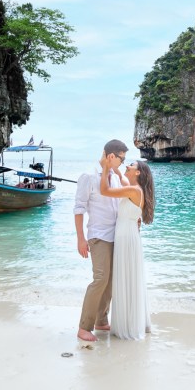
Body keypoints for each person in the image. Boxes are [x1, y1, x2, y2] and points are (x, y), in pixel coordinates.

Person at [74, 139, 128, 342]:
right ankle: (84, 327)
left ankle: (101, 321)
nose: (123, 163)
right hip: (99, 236)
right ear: (111, 156)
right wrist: (81, 239)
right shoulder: (88, 176)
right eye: (121, 159)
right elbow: (78, 209)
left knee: (111, 281)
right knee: (100, 279)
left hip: (116, 235)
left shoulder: (113, 176)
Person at [99, 158, 156, 340]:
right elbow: (123, 181)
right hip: (129, 234)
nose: (127, 166)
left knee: (125, 276)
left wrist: (106, 168)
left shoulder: (133, 190)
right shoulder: (135, 189)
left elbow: (105, 191)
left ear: (137, 172)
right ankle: (132, 320)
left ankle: (128, 325)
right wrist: (115, 171)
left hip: (125, 236)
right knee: (129, 276)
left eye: (131, 165)